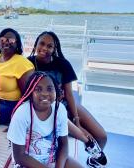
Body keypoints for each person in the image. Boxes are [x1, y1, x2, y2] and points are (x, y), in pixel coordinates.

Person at [27, 31, 107, 167]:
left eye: (50, 46)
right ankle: (86, 143)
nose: (45, 48)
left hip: (67, 103)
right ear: (36, 44)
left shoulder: (62, 64)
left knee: (101, 136)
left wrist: (77, 120)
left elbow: (69, 94)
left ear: (54, 49)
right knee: (85, 136)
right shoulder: (28, 64)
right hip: (49, 109)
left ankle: (93, 160)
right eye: (42, 43)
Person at [7, 71, 83, 168]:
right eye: (38, 89)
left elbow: (63, 145)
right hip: (28, 162)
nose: (45, 93)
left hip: (52, 157)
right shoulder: (22, 113)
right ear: (31, 93)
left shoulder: (60, 109)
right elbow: (19, 156)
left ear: (56, 91)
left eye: (50, 89)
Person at [0, 28, 34, 125]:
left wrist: (19, 119)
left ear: (17, 44)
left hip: (8, 105)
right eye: (3, 40)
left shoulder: (22, 63)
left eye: (11, 40)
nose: (6, 42)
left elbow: (28, 95)